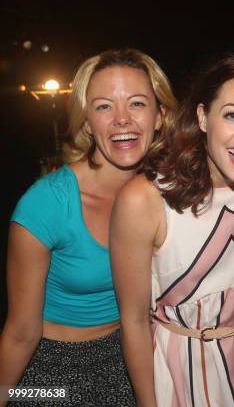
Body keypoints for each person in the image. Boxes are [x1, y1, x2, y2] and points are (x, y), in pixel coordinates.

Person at [110, 53, 234, 407]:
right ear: (202, 117)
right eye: (231, 115)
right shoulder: (145, 199)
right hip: (182, 372)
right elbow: (133, 321)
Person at [0, 48, 177, 406]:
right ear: (85, 123)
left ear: (160, 116)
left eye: (138, 103)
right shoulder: (47, 204)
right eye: (103, 106)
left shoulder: (170, 194)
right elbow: (21, 333)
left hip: (139, 358)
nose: (122, 119)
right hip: (53, 372)